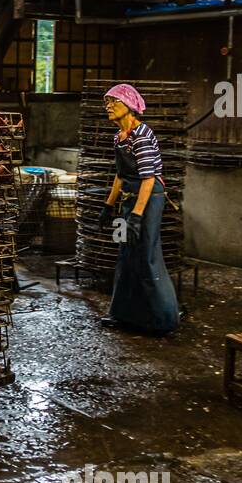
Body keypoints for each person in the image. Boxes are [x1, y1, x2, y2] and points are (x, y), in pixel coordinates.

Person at [93, 83, 180, 334]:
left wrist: (137, 216)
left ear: (129, 105)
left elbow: (149, 178)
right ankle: (122, 314)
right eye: (106, 103)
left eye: (113, 102)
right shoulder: (118, 137)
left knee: (146, 255)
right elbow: (120, 175)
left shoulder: (142, 134)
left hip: (148, 200)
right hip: (128, 200)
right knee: (125, 253)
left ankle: (163, 320)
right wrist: (108, 207)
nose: (108, 107)